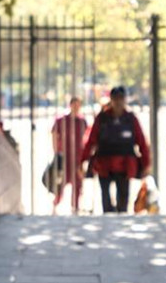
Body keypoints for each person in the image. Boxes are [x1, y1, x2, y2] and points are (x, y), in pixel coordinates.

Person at [81, 86, 151, 214]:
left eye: (121, 99)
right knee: (106, 202)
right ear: (111, 100)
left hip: (125, 166)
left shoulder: (131, 119)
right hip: (104, 165)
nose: (118, 102)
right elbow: (91, 141)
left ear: (125, 100)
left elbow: (142, 142)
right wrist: (82, 161)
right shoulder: (102, 118)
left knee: (123, 203)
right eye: (115, 99)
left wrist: (146, 165)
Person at [50, 97, 88, 214]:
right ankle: (55, 204)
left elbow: (86, 137)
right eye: (74, 105)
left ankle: (75, 206)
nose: (76, 107)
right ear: (70, 105)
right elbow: (54, 134)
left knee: (78, 183)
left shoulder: (82, 121)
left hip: (78, 156)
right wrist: (56, 151)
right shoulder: (62, 120)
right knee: (62, 181)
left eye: (78, 105)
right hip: (65, 155)